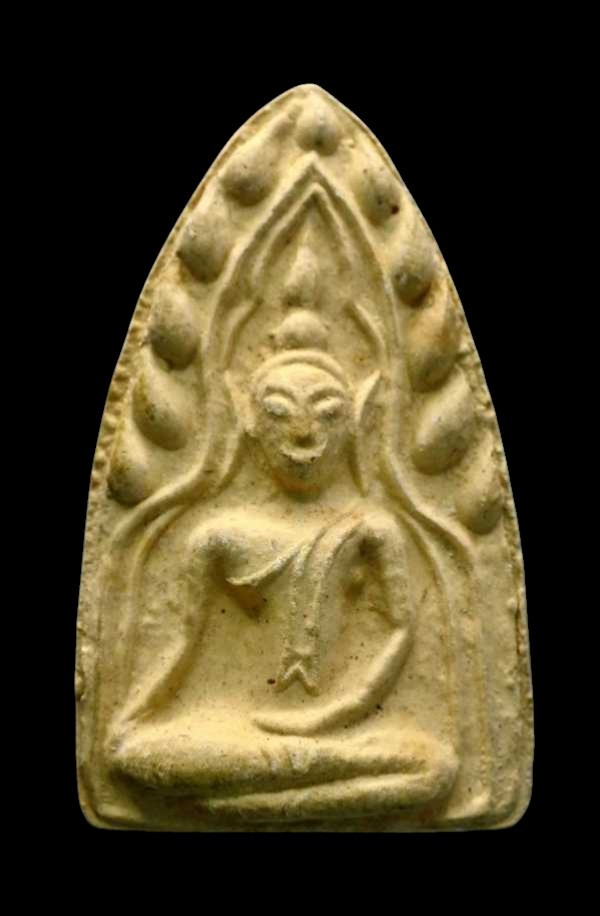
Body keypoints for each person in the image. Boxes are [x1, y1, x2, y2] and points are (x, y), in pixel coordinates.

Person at [110, 312, 457, 820]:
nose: (303, 432)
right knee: (139, 758)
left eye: (327, 412)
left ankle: (254, 804)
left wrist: (337, 714)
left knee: (438, 767)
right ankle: (307, 799)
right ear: (248, 420)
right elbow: (179, 645)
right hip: (238, 735)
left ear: (356, 420)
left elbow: (400, 630)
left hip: (343, 735)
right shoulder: (217, 535)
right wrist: (132, 722)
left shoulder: (372, 528)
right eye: (279, 411)